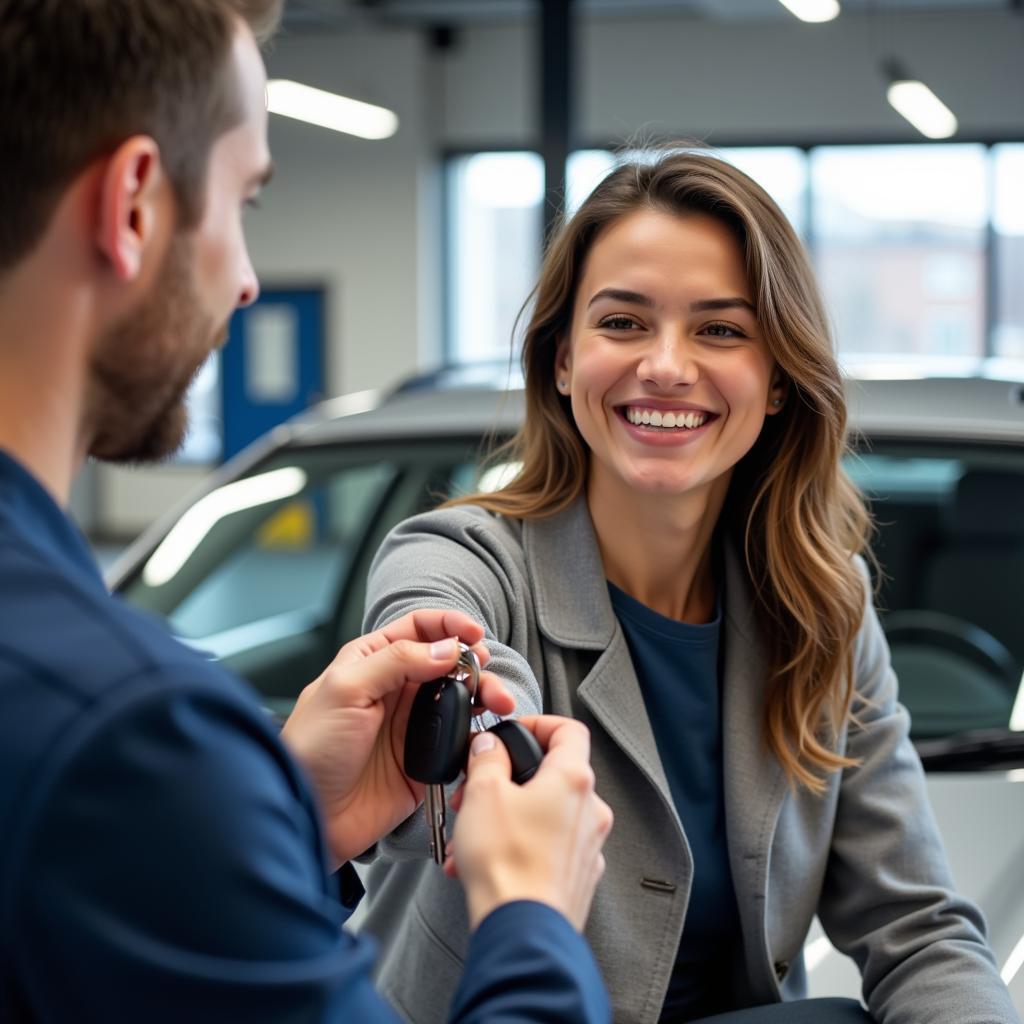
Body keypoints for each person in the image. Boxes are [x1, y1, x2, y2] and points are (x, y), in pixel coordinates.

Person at [0, 2, 615, 1021]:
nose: (245, 282)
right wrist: (533, 915)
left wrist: (272, 817)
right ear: (135, 206)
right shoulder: (125, 731)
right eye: (245, 201)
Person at [359, 148, 1022, 1024]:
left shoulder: (825, 607)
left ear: (779, 378)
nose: (667, 366)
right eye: (624, 323)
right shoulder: (459, 560)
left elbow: (918, 925)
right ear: (561, 360)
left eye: (721, 329)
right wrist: (472, 725)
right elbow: (437, 736)